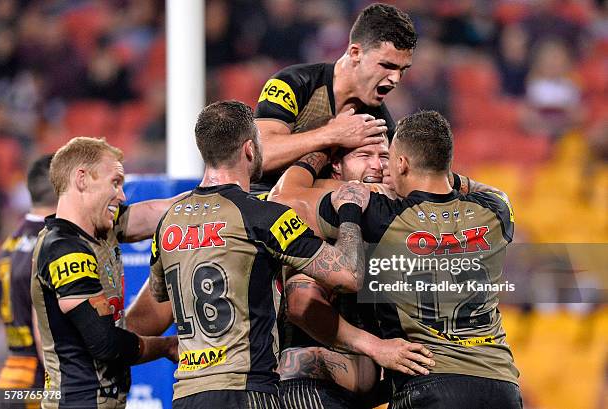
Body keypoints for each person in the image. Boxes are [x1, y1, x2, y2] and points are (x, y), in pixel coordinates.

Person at [148, 100, 369, 409]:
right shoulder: (263, 216)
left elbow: (160, 293)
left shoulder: (168, 221)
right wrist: (349, 210)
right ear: (250, 149)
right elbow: (349, 275)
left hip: (187, 394)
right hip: (247, 389)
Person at [316, 111, 522, 409]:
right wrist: (446, 173)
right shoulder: (496, 212)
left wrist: (350, 197)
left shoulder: (380, 216)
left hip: (430, 381)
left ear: (400, 164)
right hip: (501, 385)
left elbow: (294, 198)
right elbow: (494, 193)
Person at [269, 125, 433, 409]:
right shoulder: (321, 219)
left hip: (360, 392)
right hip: (312, 390)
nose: (377, 165)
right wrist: (376, 348)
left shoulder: (390, 219)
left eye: (384, 156)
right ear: (336, 167)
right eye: (363, 154)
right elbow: (301, 305)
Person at [30, 137, 181, 409]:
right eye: (115, 182)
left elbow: (159, 213)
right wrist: (167, 346)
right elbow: (106, 344)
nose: (122, 195)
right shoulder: (66, 250)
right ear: (82, 179)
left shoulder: (100, 229)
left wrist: (215, 198)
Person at [253, 2, 417, 193]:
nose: (396, 78)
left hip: (321, 213)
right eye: (387, 66)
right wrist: (332, 135)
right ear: (355, 53)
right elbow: (260, 157)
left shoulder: (378, 120)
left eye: (402, 69)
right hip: (263, 204)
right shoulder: (294, 83)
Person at [0, 155, 56, 409]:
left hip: (9, 377)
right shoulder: (53, 243)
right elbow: (44, 327)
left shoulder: (8, 245)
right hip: (39, 384)